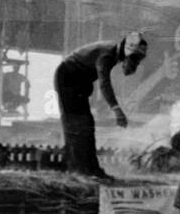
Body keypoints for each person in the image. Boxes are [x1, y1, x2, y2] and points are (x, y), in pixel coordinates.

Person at [53, 32, 147, 180]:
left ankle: (91, 169)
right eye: (134, 59)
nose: (135, 63)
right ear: (127, 51)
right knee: (76, 125)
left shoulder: (114, 52)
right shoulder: (107, 55)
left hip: (77, 81)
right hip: (68, 78)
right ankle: (78, 171)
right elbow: (104, 83)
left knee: (87, 125)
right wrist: (116, 109)